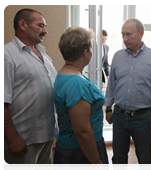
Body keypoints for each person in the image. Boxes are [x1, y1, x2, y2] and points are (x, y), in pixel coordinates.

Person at [104, 18, 151, 170]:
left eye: (129, 34)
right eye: (122, 35)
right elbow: (112, 85)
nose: (125, 39)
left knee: (145, 159)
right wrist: (108, 108)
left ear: (141, 33)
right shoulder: (118, 56)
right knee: (118, 157)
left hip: (143, 118)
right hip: (119, 116)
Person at [4, 8, 57, 170]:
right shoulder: (6, 55)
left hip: (47, 135)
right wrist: (13, 138)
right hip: (23, 140)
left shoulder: (43, 54)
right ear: (23, 24)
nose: (45, 31)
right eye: (40, 26)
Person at [52, 26, 109, 170]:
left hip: (71, 147)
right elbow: (82, 131)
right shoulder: (76, 83)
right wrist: (96, 162)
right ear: (85, 53)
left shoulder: (64, 72)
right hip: (81, 151)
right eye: (90, 49)